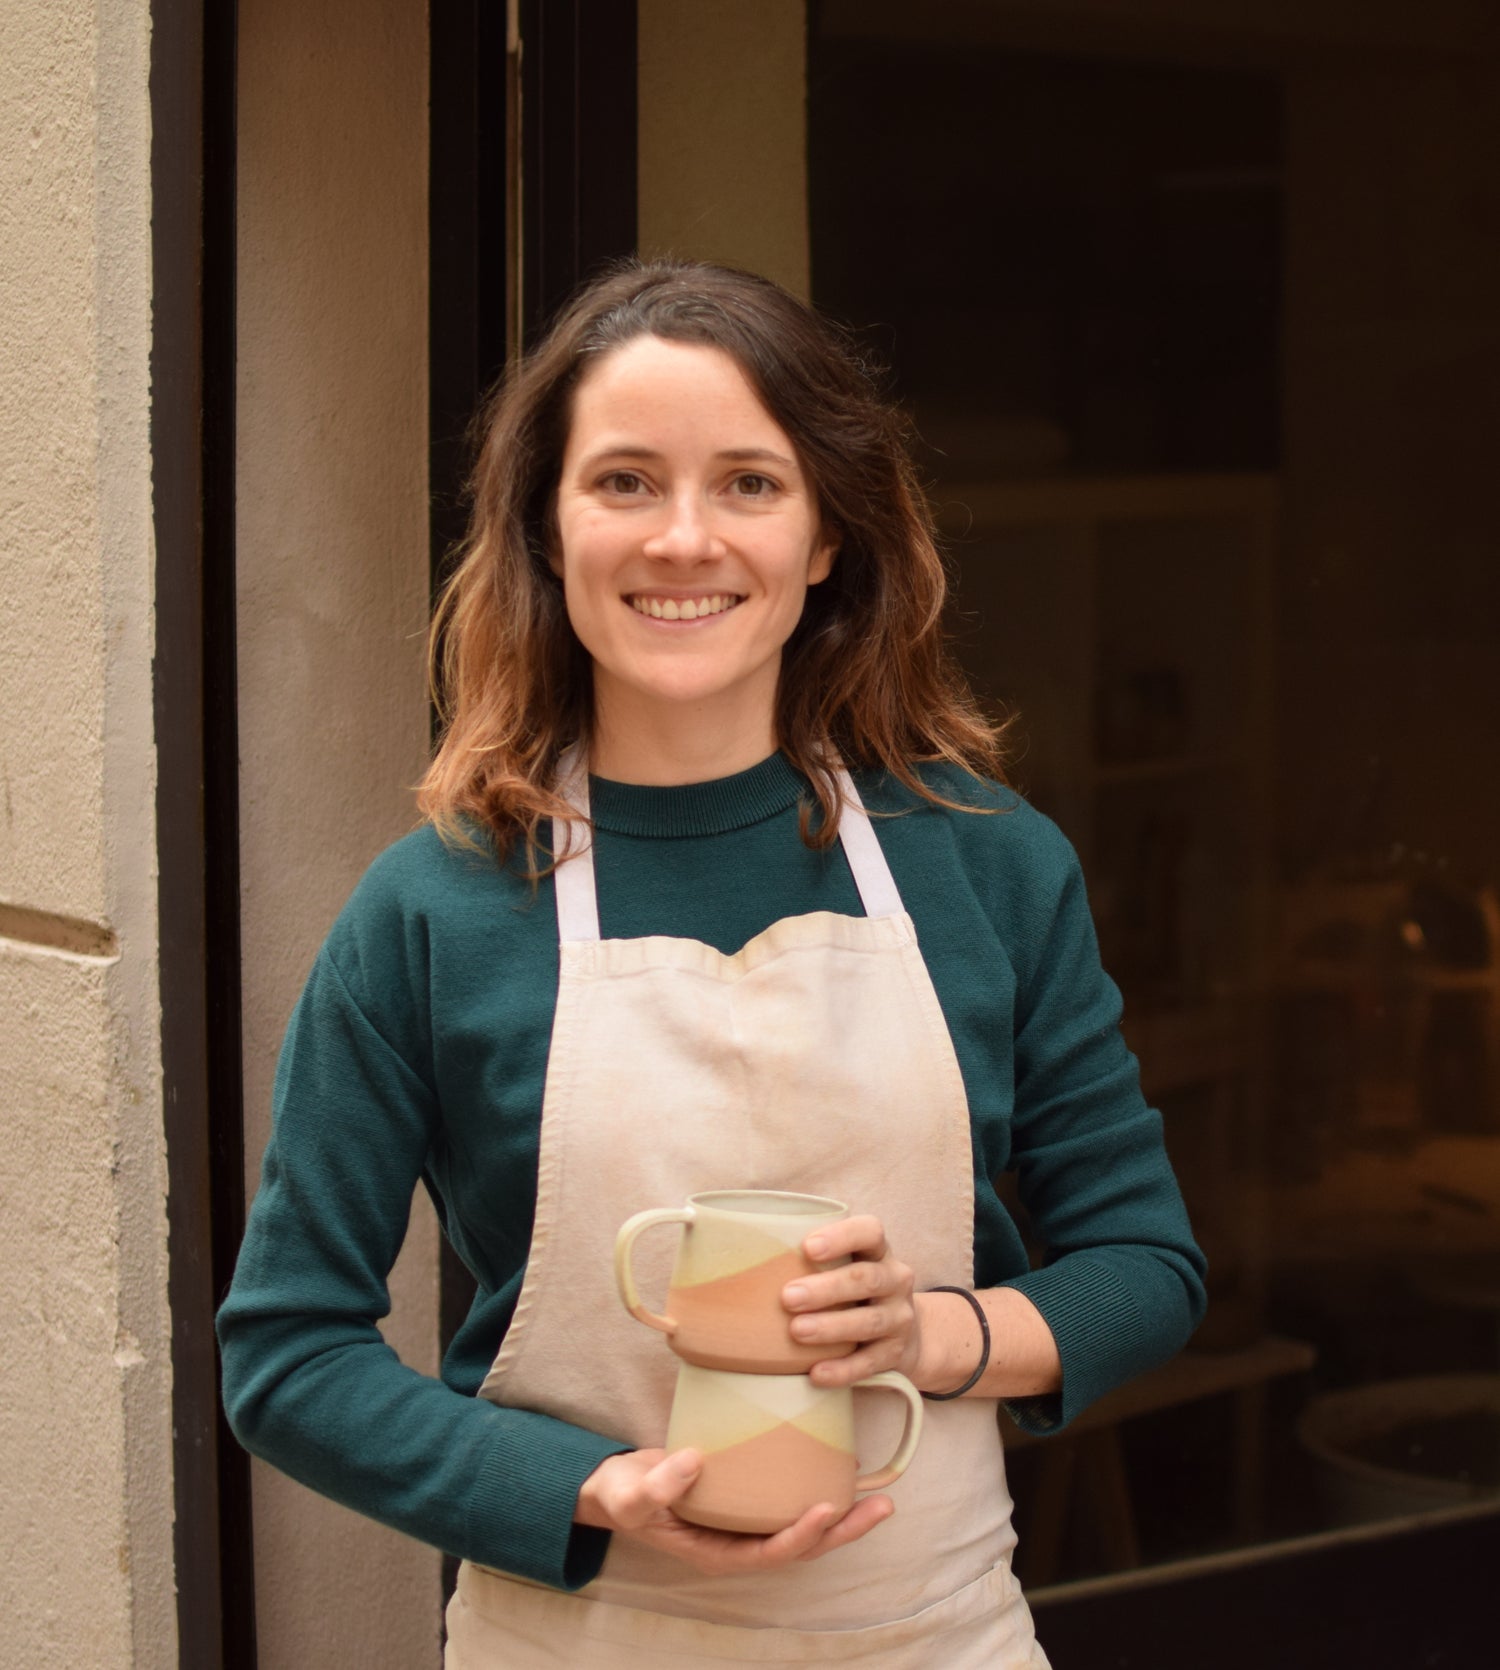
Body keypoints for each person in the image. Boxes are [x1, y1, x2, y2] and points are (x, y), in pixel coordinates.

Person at [218, 259, 1206, 1668]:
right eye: (624, 482)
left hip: (935, 1638)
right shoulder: (433, 909)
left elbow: (1146, 1263)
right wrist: (580, 1490)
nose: (686, 539)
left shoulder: (988, 863)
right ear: (549, 535)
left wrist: (929, 1334)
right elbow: (286, 1352)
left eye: (750, 482)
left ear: (824, 542)